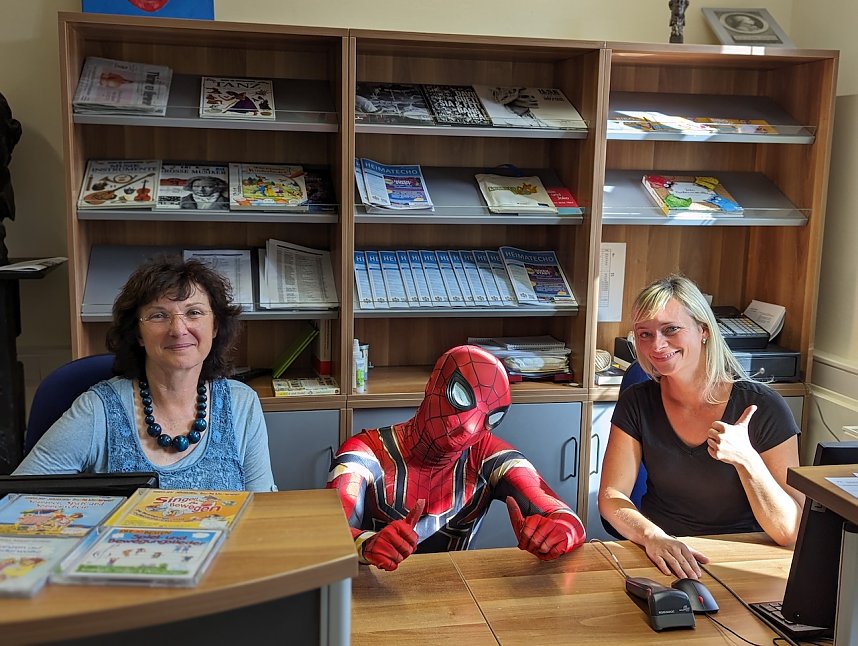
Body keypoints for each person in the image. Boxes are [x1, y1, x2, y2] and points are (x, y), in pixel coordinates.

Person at [598, 275, 803, 579]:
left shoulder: (763, 407)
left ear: (703, 330)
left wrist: (746, 460)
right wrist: (652, 536)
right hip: (662, 555)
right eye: (645, 334)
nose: (657, 345)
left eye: (671, 329)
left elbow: (789, 530)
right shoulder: (637, 401)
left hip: (744, 557)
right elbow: (611, 496)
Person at [14, 259, 276, 492]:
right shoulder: (98, 409)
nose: (178, 329)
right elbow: (18, 496)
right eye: (158, 315)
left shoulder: (241, 404)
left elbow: (263, 511)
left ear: (215, 326)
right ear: (138, 334)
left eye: (194, 312)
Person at [327, 345, 585, 571]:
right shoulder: (365, 452)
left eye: (491, 417)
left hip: (457, 596)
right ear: (433, 385)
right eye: (460, 396)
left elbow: (570, 520)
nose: (469, 427)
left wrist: (557, 534)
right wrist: (367, 544)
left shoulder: (491, 457)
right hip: (371, 595)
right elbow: (328, 536)